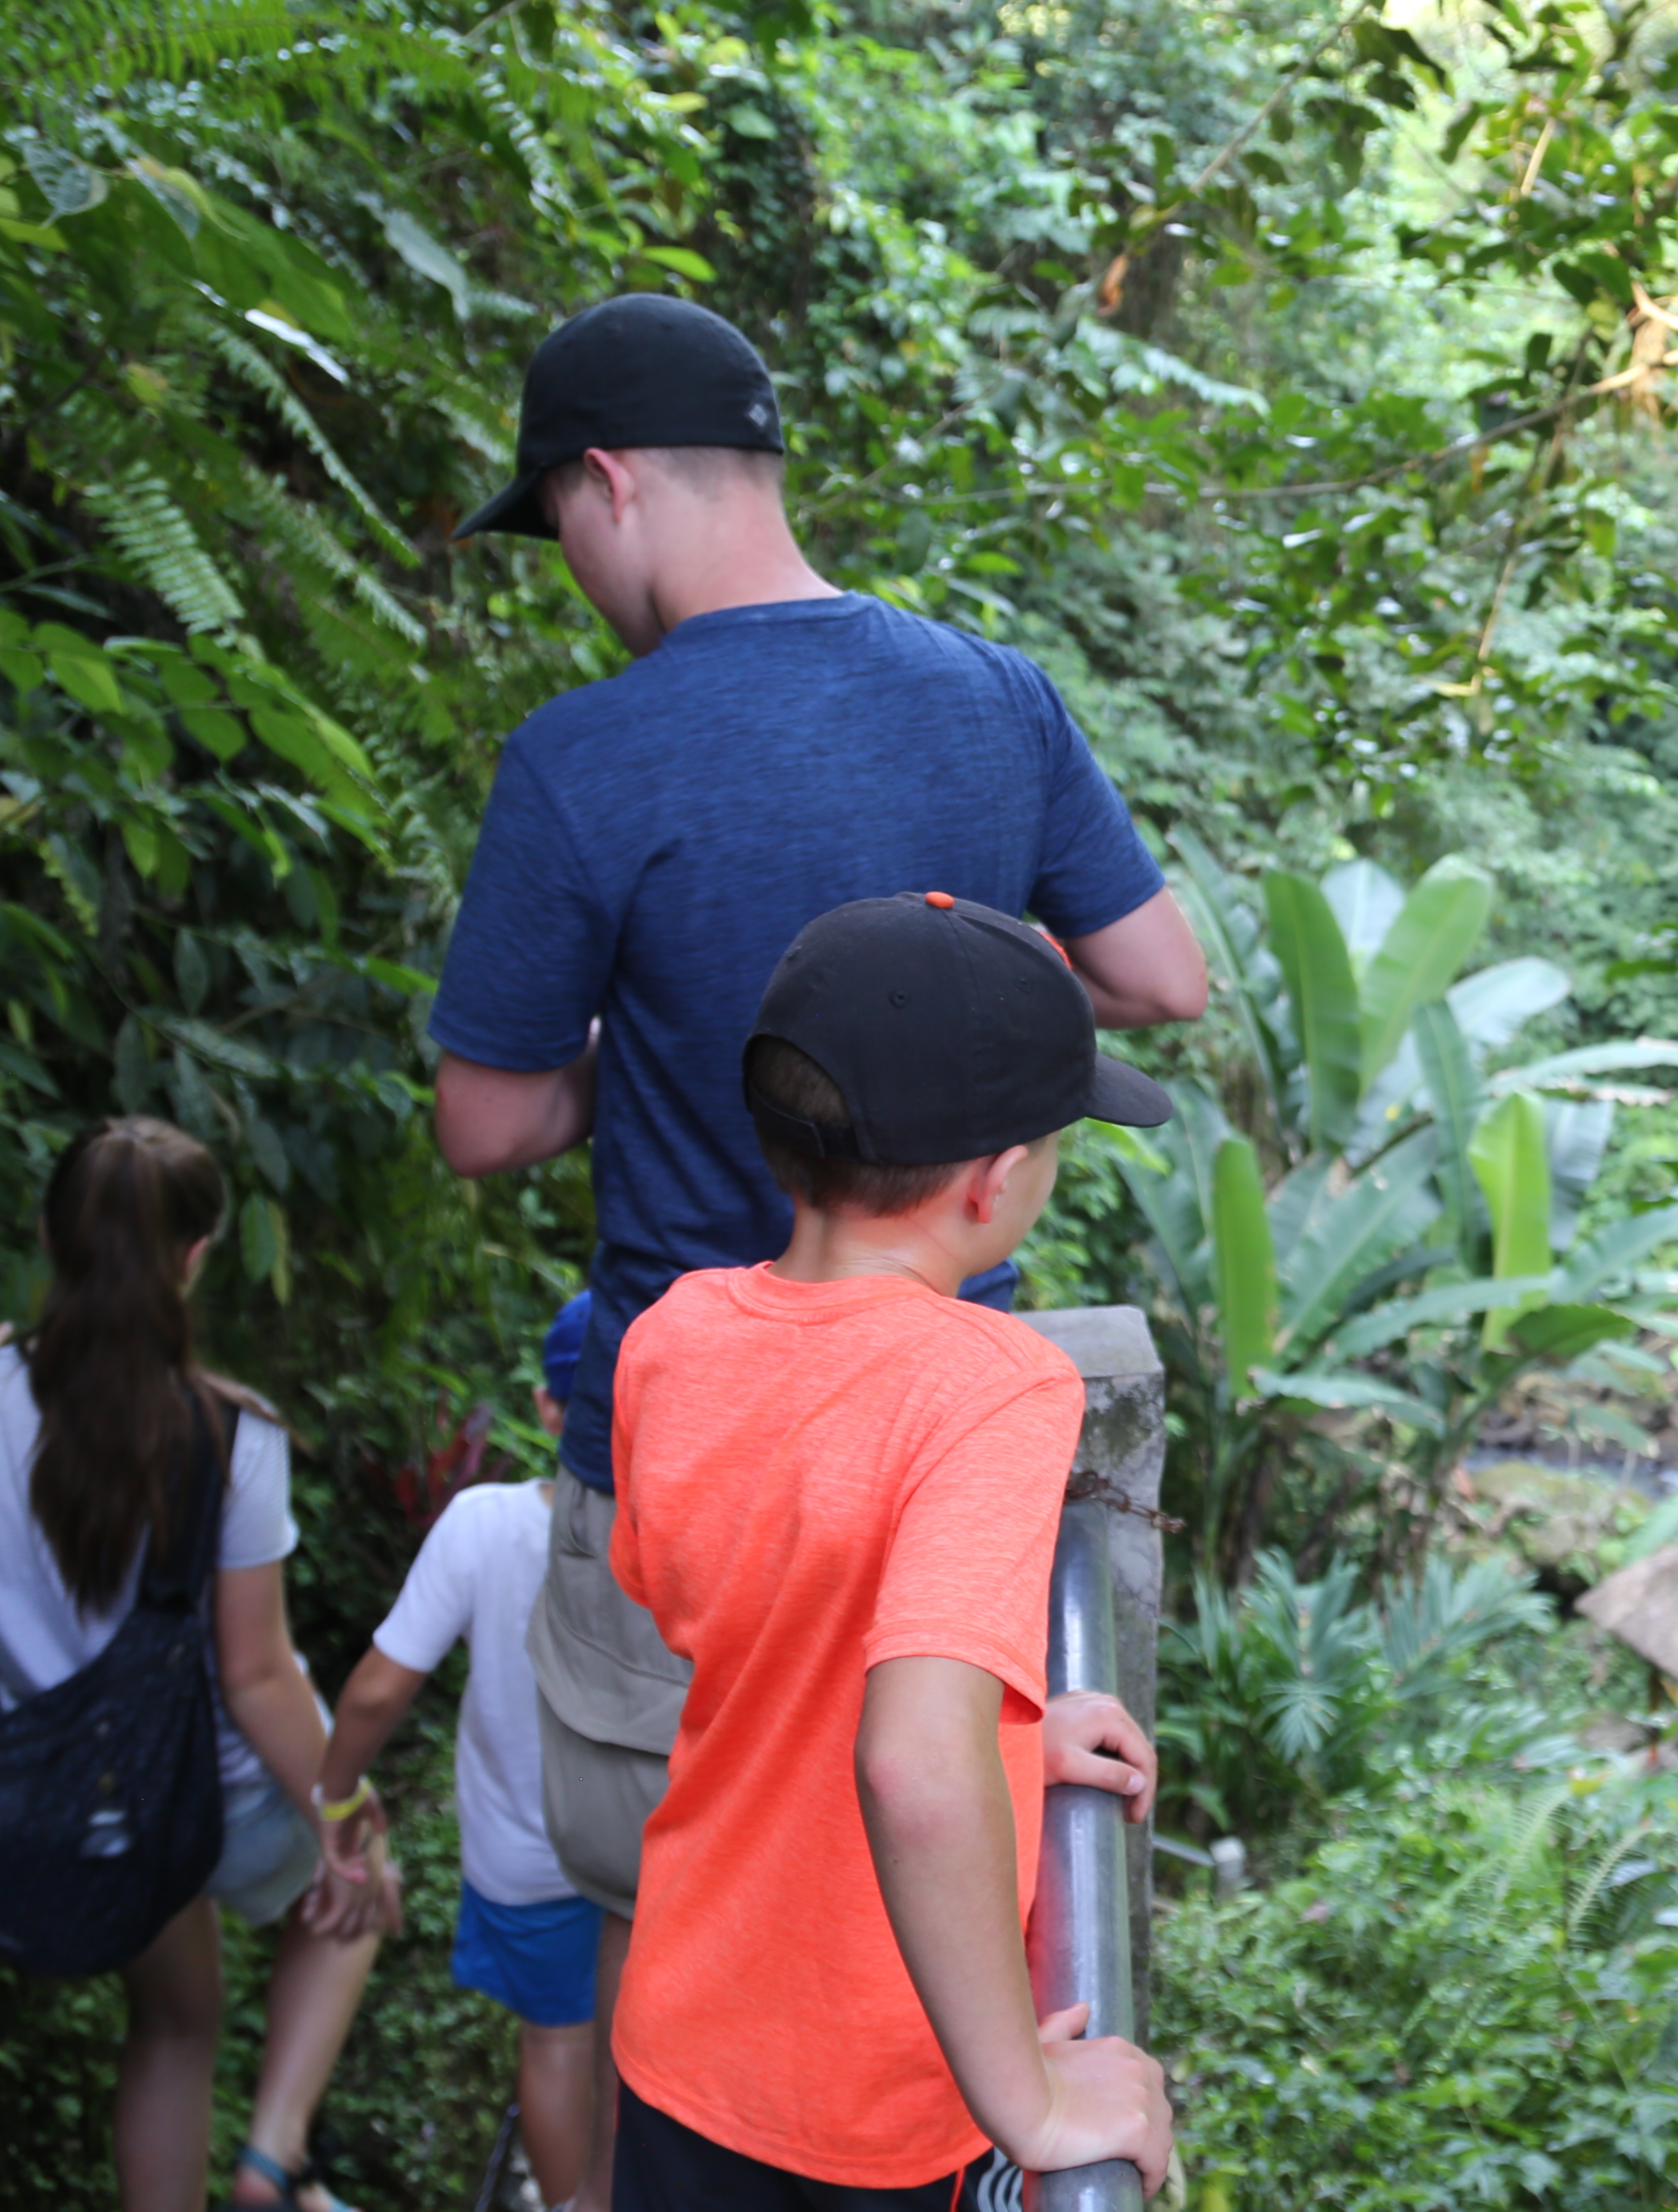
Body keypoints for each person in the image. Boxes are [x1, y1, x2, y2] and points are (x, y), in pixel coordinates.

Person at [428, 292, 1206, 2208]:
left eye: (562, 532)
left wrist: (663, 1042)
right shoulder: (994, 695)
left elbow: (489, 1121)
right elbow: (1162, 977)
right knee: (920, 1783)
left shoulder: (584, 758)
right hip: (932, 1442)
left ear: (604, 484)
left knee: (691, 1867)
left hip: (691, 1443)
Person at [603, 892, 1177, 2208]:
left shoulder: (673, 1336)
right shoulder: (989, 1387)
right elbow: (910, 1761)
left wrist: (1013, 1738)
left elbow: (763, 1638)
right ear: (992, 1181)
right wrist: (1022, 2100)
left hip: (684, 2042)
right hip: (860, 2106)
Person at [0, 1117, 397, 2212]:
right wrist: (349, 1820)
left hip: (87, 1806)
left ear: (46, 1237)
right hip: (222, 1794)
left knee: (171, 2026)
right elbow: (253, 1676)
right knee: (351, 1900)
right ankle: (269, 2157)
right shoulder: (226, 1438)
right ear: (198, 1256)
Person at [313, 1293, 603, 2212]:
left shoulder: (483, 1525)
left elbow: (374, 1689)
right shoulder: (693, 1525)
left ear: (544, 1406)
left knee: (557, 2042)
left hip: (530, 1863)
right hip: (658, 1851)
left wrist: (338, 1797)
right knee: (645, 2047)